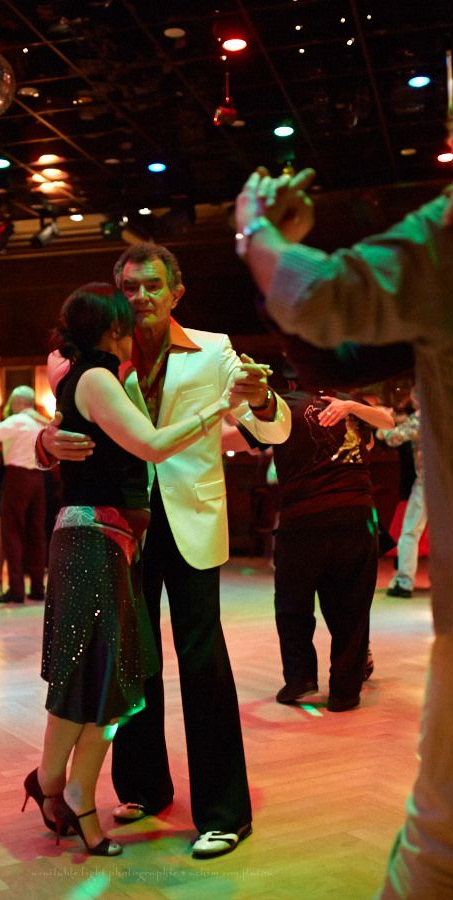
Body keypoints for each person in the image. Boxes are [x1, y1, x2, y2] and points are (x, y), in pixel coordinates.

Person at [235, 167, 453, 899]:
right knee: (332, 608)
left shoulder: (447, 233)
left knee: (436, 855)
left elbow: (320, 303)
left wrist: (256, 231)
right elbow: (331, 359)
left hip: (325, 520)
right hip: (327, 519)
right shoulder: (295, 406)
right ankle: (325, 685)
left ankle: (324, 683)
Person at [41, 242, 292, 858]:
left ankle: (224, 812)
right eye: (130, 287)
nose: (141, 297)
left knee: (203, 662)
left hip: (190, 523)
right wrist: (47, 442)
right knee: (131, 662)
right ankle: (143, 787)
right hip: (120, 530)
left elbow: (273, 427)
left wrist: (261, 398)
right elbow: (69, 426)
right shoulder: (99, 358)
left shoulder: (212, 348)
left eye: (153, 285)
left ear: (176, 292)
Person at [245, 370, 394, 711]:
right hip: (355, 516)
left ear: (291, 381)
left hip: (304, 519)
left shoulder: (280, 404)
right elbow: (380, 430)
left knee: (292, 604)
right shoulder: (348, 401)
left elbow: (243, 442)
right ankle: (345, 692)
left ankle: (300, 678)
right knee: (352, 608)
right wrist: (351, 409)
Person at [0, 386, 48, 604]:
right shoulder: (40, 422)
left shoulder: (17, 421)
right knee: (37, 533)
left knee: (12, 532)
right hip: (39, 478)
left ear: (17, 402)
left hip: (17, 478)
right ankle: (38, 587)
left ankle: (16, 589)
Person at [376, 390, 427, 599]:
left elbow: (392, 438)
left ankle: (404, 582)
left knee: (410, 532)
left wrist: (380, 420)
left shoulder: (422, 417)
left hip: (428, 481)